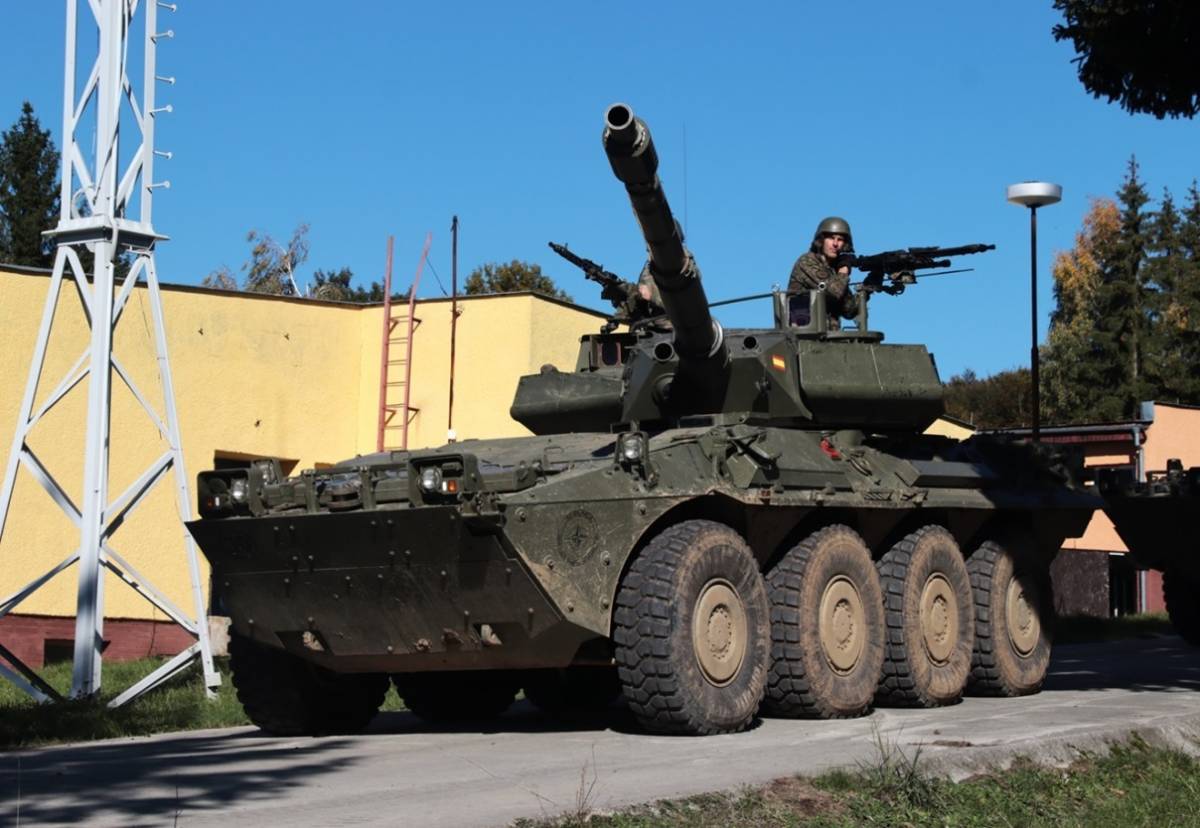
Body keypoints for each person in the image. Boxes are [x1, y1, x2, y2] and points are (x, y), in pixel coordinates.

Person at [787, 216, 859, 329]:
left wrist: (868, 286)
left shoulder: (834, 270)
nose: (835, 244)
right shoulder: (807, 262)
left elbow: (850, 311)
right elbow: (833, 292)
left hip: (830, 339)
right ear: (821, 240)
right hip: (803, 336)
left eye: (840, 239)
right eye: (831, 238)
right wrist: (844, 270)